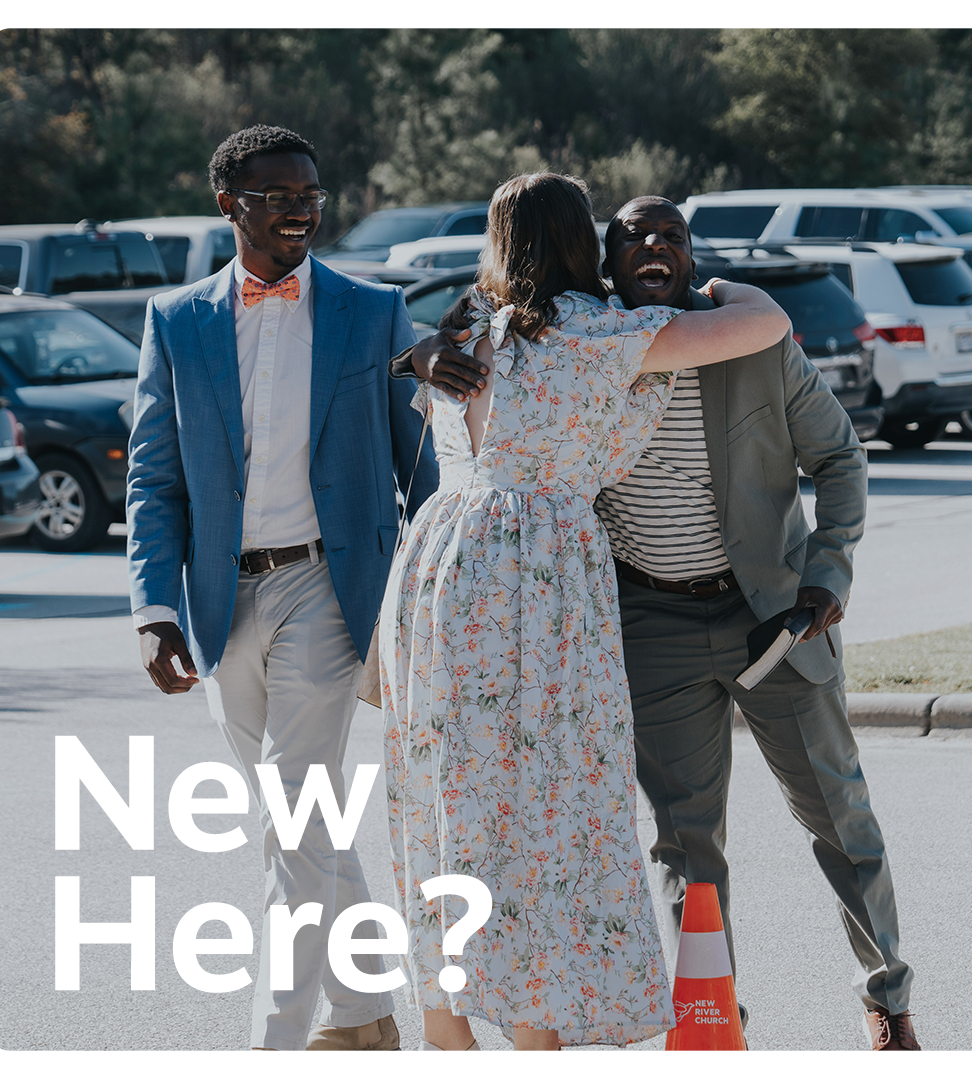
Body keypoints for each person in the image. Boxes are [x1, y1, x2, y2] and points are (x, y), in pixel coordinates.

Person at [407, 195, 921, 1052]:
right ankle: (712, 1023)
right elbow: (480, 340)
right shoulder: (585, 340)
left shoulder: (749, 347)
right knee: (685, 843)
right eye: (631, 236)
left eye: (670, 234)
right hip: (649, 619)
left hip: (776, 616)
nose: (654, 245)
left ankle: (889, 1001)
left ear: (690, 254)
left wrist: (828, 577)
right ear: (603, 265)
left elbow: (839, 459)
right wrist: (420, 352)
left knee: (841, 820)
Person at [381, 173, 790, 1050]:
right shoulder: (598, 335)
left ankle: (445, 1028)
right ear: (579, 242)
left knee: (448, 798)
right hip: (541, 577)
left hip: (440, 563)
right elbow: (767, 323)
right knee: (553, 804)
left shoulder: (461, 333)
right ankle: (537, 1035)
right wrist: (716, 284)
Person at [126, 124, 438, 1052]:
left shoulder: (373, 313)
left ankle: (276, 1041)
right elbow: (153, 477)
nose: (301, 208)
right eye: (278, 195)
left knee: (295, 810)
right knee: (294, 820)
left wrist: (430, 592)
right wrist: (154, 608)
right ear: (230, 203)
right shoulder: (175, 321)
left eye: (312, 194)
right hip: (223, 604)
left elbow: (418, 463)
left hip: (330, 591)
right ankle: (365, 1014)